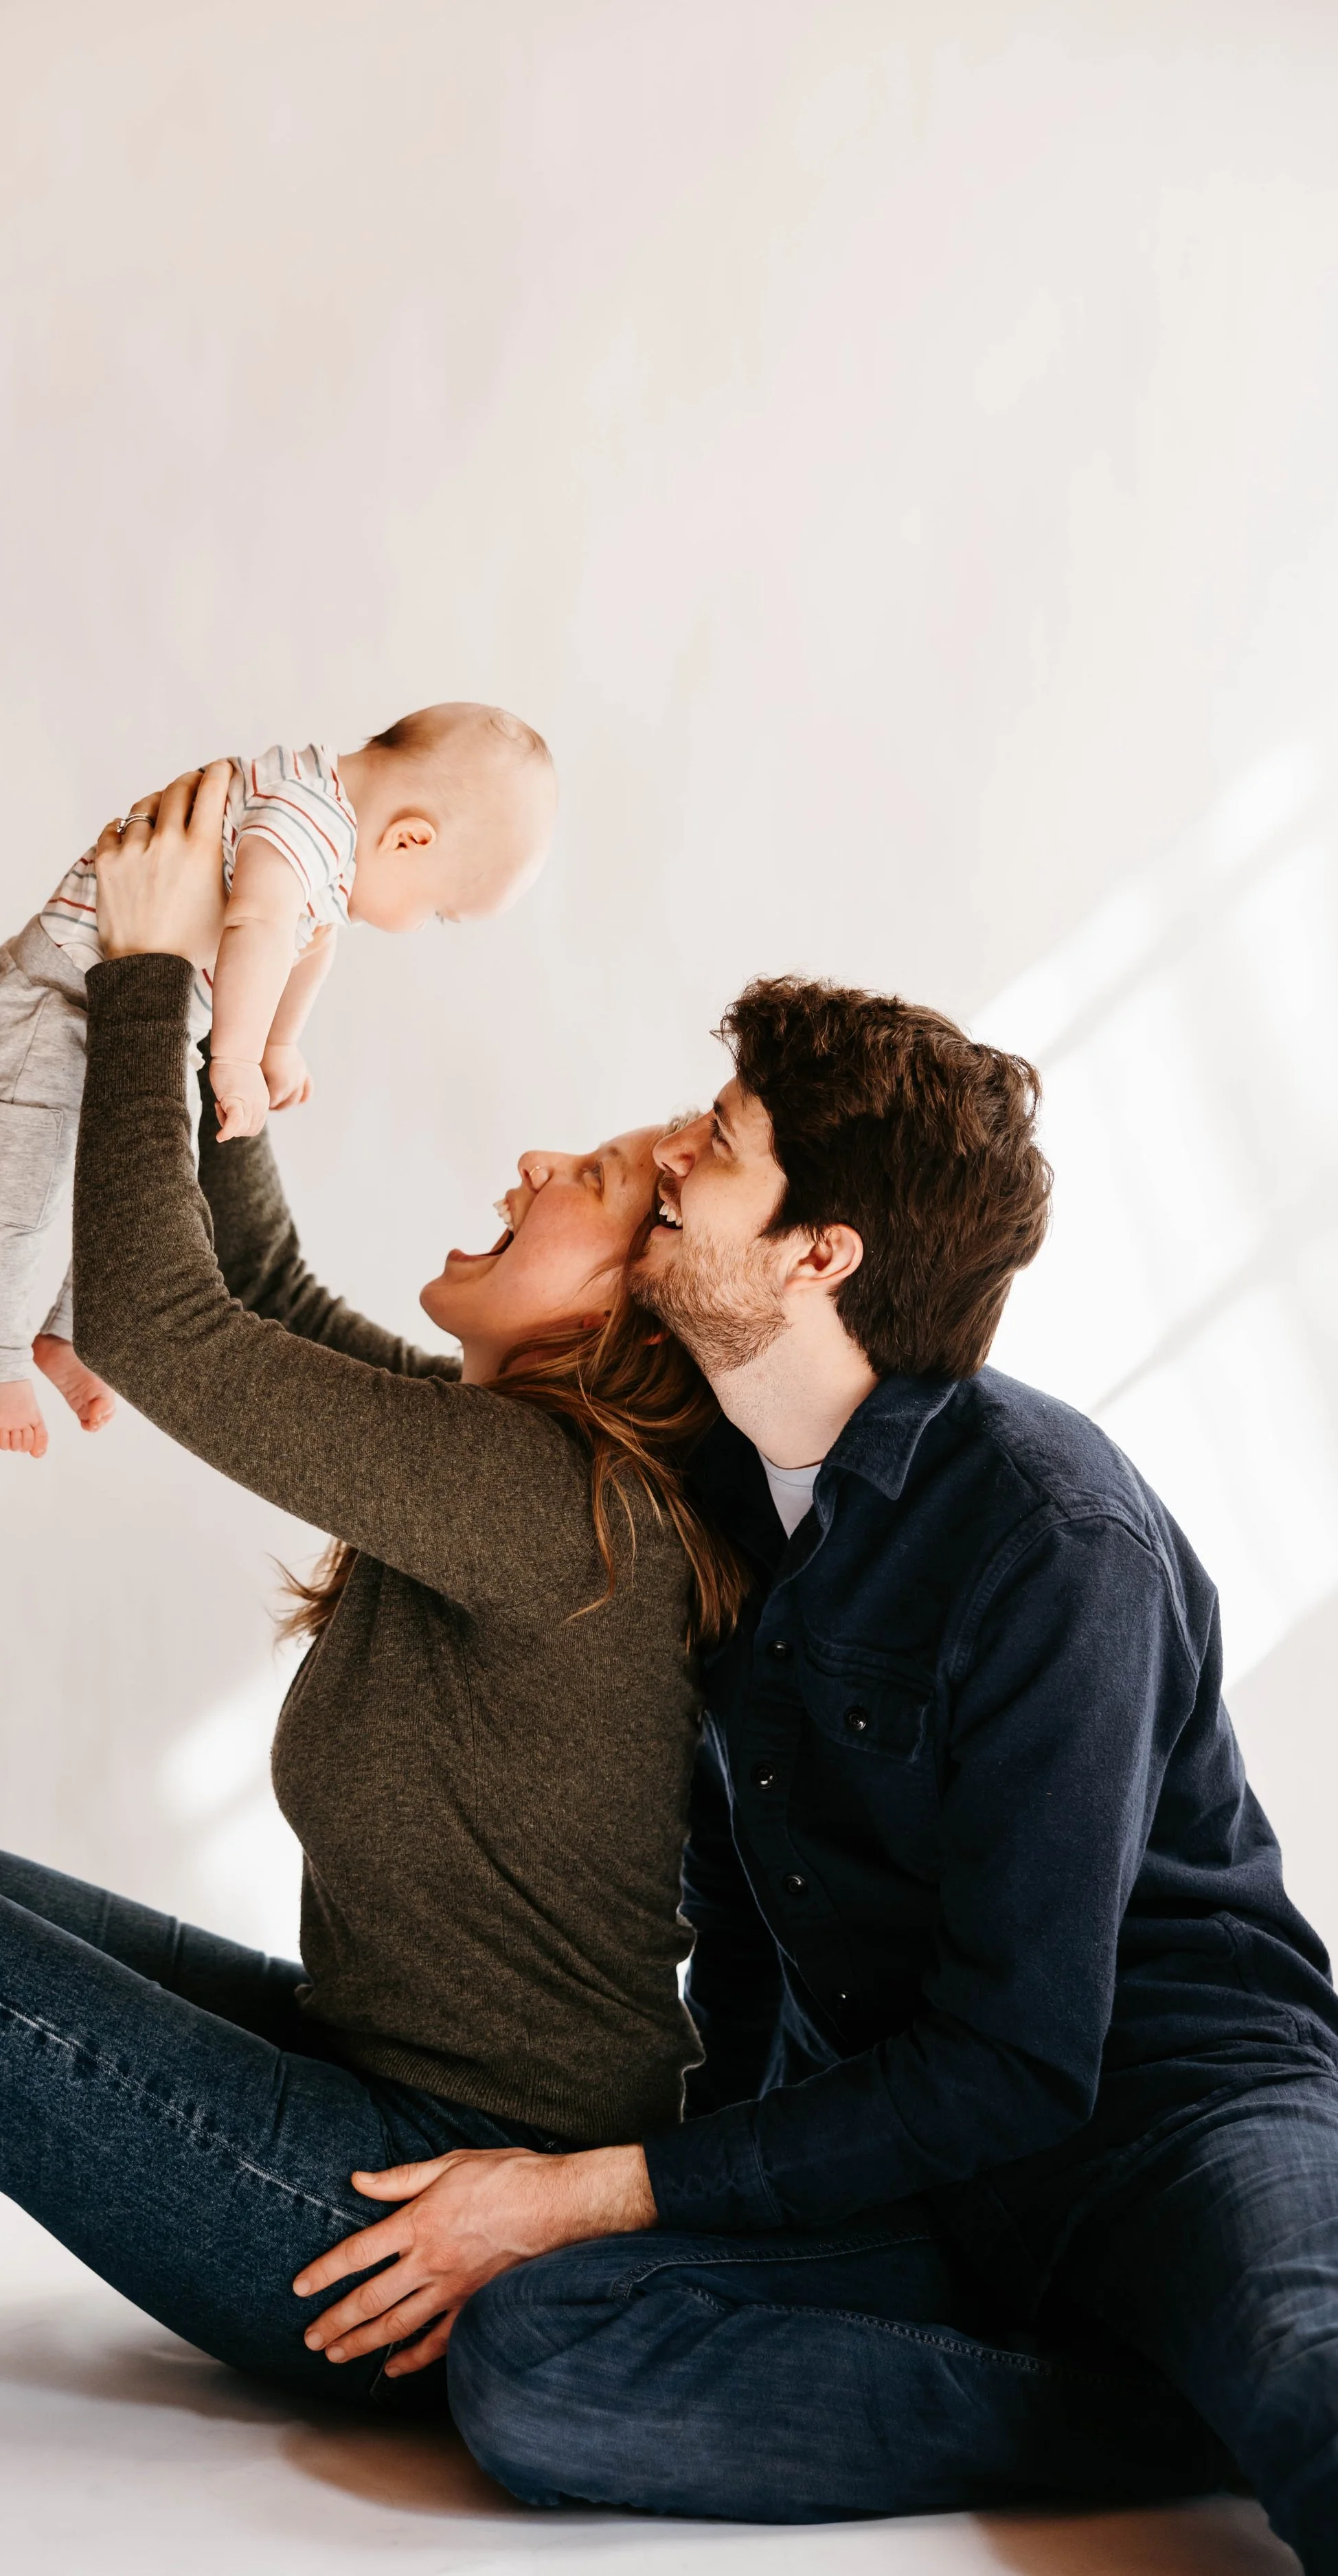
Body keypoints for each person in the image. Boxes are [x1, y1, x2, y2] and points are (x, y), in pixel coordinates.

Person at [0, 760, 732, 2411]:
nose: (536, 1154)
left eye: (600, 1177)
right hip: (374, 2091)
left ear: (630, 1315)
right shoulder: (505, 1455)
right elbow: (259, 1284)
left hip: (418, 2219)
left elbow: (163, 1324)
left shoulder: (556, 1506)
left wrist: (146, 982)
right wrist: (220, 984)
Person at [308, 977, 1334, 2566]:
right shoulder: (708, 1484)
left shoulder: (1052, 1534)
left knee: (1302, 2363)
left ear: (817, 1253)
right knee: (532, 2358)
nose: (665, 1170)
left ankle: (1214, 2373)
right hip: (912, 2157)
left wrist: (590, 2185)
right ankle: (1142, 2413)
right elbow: (735, 1901)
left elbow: (1019, 2060)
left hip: (1177, 2118)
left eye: (715, 1147)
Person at [0, 703, 556, 1455]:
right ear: (411, 837)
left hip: (125, 1004)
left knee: (141, 1190)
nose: (418, 924)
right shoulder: (303, 821)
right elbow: (260, 927)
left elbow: (310, 944)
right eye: (437, 911)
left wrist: (280, 1044)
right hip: (56, 999)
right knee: (18, 1195)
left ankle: (74, 1337)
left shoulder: (324, 831)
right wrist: (235, 1062)